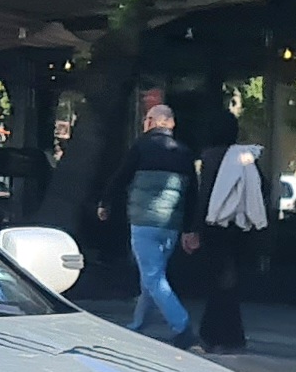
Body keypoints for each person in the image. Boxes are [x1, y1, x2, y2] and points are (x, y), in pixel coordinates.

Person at [99, 103, 198, 350]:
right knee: (152, 276)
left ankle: (182, 326)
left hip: (144, 222)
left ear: (153, 122)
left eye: (146, 119)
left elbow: (120, 176)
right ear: (171, 124)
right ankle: (138, 323)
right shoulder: (185, 152)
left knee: (153, 277)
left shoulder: (141, 147)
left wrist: (105, 202)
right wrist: (189, 228)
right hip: (171, 225)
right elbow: (192, 193)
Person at [186, 113, 268, 352]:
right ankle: (227, 334)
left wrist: (194, 228)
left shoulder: (211, 157)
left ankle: (213, 335)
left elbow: (205, 195)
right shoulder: (246, 157)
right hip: (241, 226)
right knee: (229, 282)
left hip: (216, 226)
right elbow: (261, 187)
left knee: (219, 281)